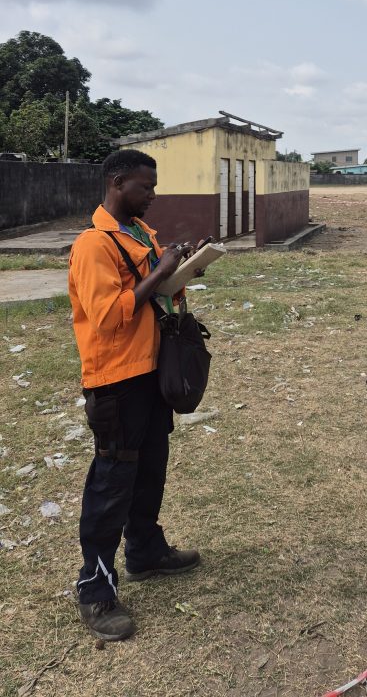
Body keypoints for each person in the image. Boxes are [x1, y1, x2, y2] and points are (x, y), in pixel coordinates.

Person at [69, 149, 202, 641]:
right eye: (145, 186)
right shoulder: (93, 244)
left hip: (151, 372)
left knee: (150, 466)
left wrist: (181, 269)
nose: (153, 194)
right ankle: (95, 588)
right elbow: (108, 315)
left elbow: (156, 291)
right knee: (112, 481)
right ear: (117, 182)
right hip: (116, 380)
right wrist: (160, 269)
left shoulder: (141, 234)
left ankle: (145, 551)